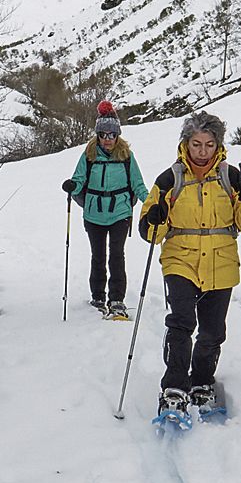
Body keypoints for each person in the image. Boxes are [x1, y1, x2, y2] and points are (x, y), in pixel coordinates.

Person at [137, 111, 241, 416]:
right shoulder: (170, 179)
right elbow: (151, 232)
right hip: (179, 260)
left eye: (209, 144)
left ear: (218, 145)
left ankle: (202, 382)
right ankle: (174, 387)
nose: (202, 151)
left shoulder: (232, 178)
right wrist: (155, 219)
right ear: (186, 144)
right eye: (196, 144)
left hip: (221, 262)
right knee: (181, 323)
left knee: (212, 332)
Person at [62, 101, 149, 319]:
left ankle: (117, 299)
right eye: (103, 134)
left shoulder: (127, 156)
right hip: (94, 215)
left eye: (112, 135)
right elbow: (79, 179)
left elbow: (138, 184)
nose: (108, 139)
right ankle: (98, 297)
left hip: (120, 213)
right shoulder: (89, 155)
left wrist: (151, 203)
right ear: (98, 134)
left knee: (117, 256)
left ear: (118, 135)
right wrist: (73, 186)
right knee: (98, 256)